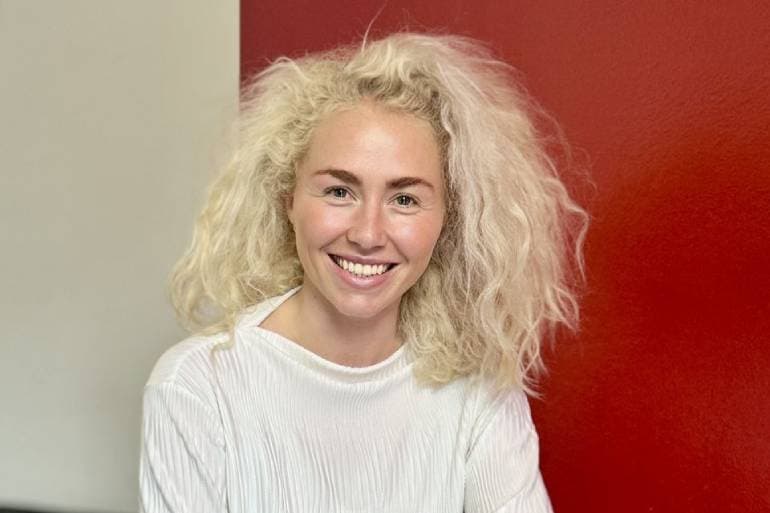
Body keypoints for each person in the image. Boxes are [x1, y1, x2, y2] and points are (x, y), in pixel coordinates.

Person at [139, 32, 587, 513]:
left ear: (447, 220)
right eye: (339, 192)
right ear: (288, 199)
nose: (368, 234)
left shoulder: (479, 391)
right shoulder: (195, 387)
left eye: (404, 199)